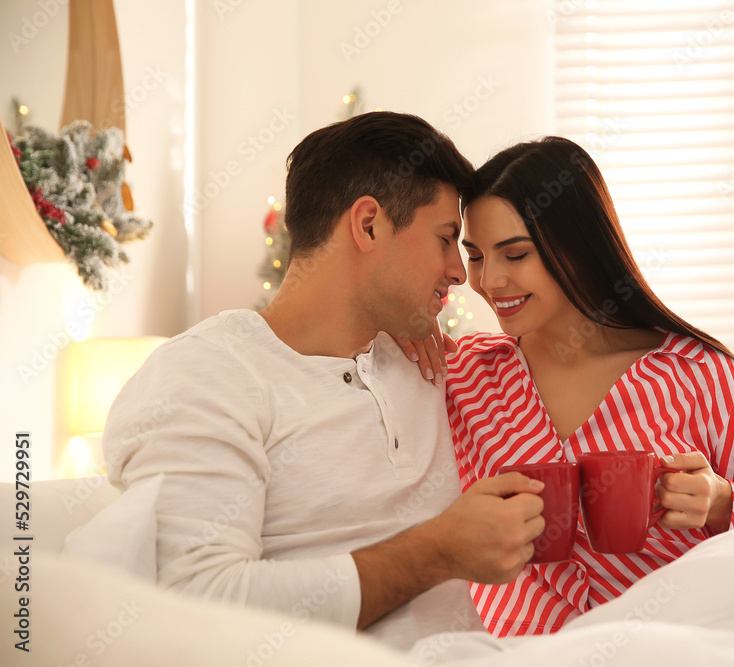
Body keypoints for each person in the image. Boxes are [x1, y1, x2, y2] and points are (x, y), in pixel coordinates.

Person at [100, 112, 547, 651]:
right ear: (368, 225)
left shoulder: (422, 362)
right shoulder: (205, 377)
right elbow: (198, 606)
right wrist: (436, 552)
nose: (459, 272)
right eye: (446, 239)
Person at [400, 136, 734, 638]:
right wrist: (402, 325)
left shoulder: (701, 376)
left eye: (516, 255)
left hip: (675, 648)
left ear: (578, 246)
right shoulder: (463, 375)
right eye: (475, 257)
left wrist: (721, 502)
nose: (490, 280)